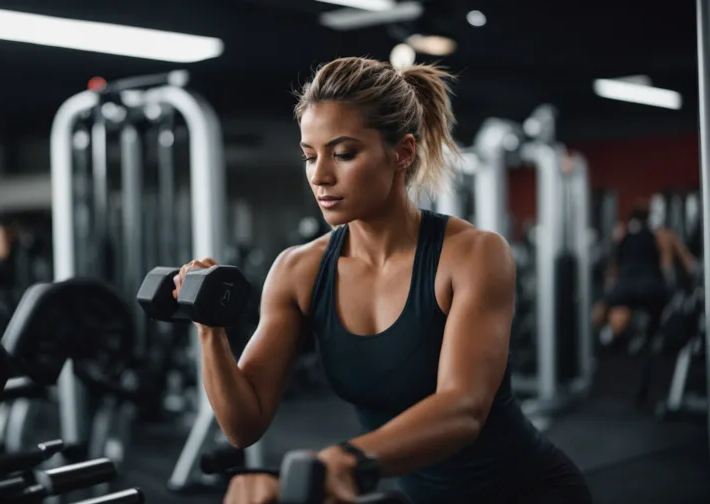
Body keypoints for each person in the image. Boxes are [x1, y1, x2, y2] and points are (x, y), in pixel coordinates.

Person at [174, 57, 591, 504]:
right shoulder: (298, 270)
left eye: (343, 154)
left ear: (402, 152)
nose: (320, 176)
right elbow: (243, 425)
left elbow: (464, 409)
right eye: (310, 156)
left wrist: (345, 460)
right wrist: (209, 328)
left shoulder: (472, 254)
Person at [590, 199, 697, 398]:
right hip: (652, 291)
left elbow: (613, 269)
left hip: (627, 288)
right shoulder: (662, 235)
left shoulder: (623, 235)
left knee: (603, 314)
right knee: (651, 336)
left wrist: (609, 295)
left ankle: (600, 349)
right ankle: (645, 375)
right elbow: (673, 265)